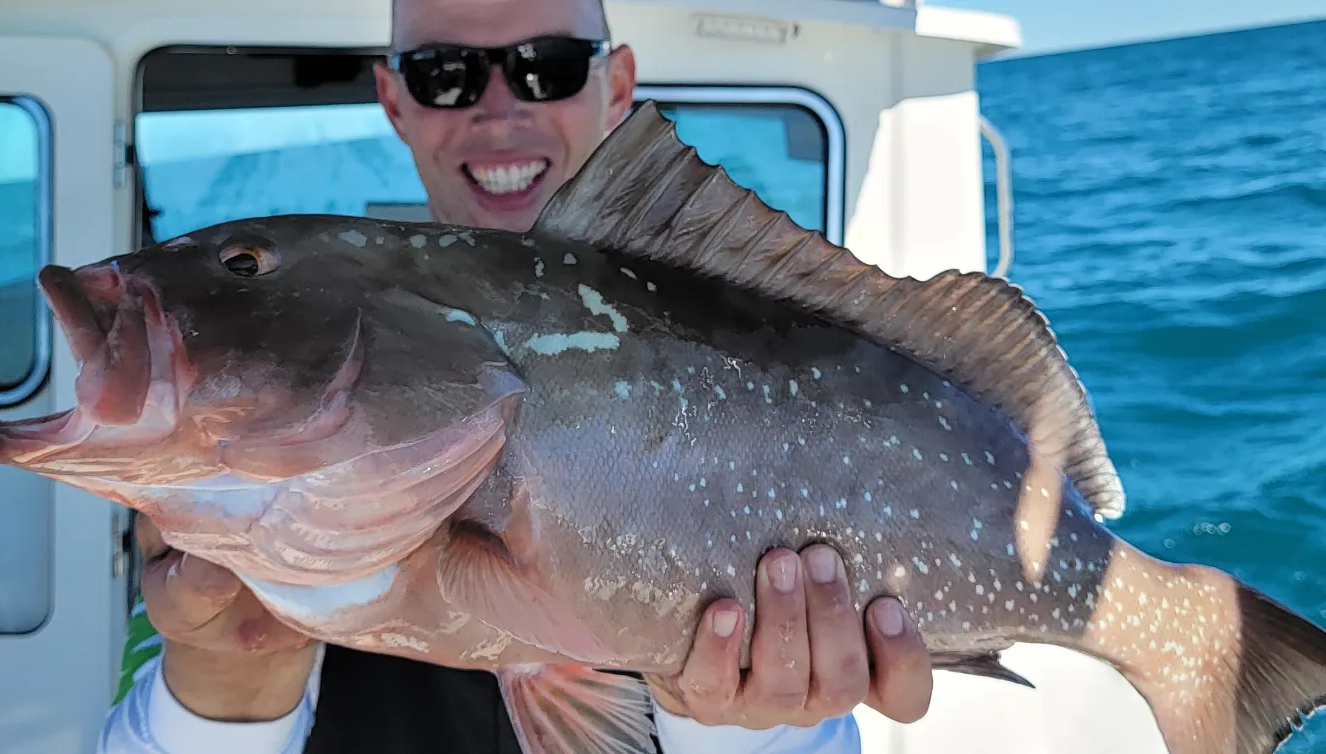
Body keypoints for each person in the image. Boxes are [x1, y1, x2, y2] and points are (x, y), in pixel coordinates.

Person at [97, 0, 936, 752]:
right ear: (396, 100)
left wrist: (745, 728)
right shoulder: (236, 476)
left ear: (618, 82)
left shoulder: (762, 333)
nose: (501, 111)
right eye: (445, 74)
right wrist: (225, 683)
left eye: (550, 67)